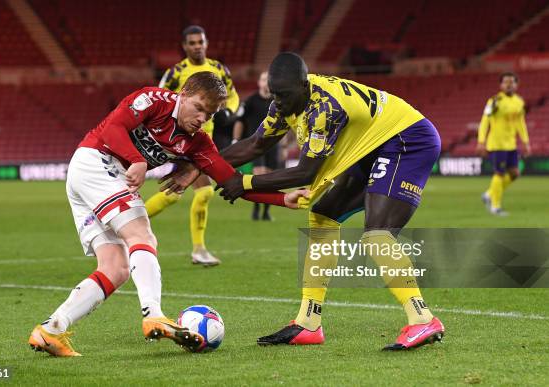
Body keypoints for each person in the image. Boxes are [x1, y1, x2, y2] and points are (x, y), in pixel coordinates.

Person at [163, 53, 445, 350]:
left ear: (303, 86)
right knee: (323, 216)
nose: (279, 103)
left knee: (377, 234)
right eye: (275, 95)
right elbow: (256, 144)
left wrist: (245, 182)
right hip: (371, 148)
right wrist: (198, 165)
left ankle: (422, 318)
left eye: (284, 95)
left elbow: (306, 172)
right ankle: (308, 323)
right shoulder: (285, 103)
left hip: (408, 140)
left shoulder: (323, 108)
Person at [27, 72, 305, 357]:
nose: (202, 118)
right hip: (96, 161)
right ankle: (154, 314)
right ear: (183, 94)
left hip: (100, 177)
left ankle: (51, 330)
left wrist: (283, 199)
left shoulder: (198, 142)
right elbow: (113, 127)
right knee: (141, 235)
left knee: (116, 268)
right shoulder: (153, 99)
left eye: (209, 114)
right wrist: (136, 159)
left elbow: (231, 181)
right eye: (198, 107)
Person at [144, 25, 240, 266]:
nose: (197, 46)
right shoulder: (177, 72)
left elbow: (233, 94)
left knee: (173, 195)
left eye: (201, 42)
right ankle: (198, 249)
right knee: (201, 191)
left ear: (206, 43)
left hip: (203, 141)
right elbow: (159, 97)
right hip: (180, 139)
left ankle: (127, 226)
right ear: (185, 47)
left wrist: (231, 110)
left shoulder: (218, 68)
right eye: (193, 43)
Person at [477, 72, 530, 216]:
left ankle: (489, 194)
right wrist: (481, 141)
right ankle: (495, 206)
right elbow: (485, 121)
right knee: (499, 174)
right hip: (497, 144)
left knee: (514, 173)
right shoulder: (495, 101)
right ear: (501, 85)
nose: (509, 84)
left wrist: (525, 142)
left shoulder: (519, 102)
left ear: (516, 85)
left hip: (511, 144)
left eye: (512, 82)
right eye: (506, 82)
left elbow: (520, 123)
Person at [233, 71, 279, 220]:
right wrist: (236, 140)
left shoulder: (278, 101)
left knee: (270, 179)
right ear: (259, 83)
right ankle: (256, 207)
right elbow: (240, 121)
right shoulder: (251, 101)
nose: (266, 82)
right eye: (264, 79)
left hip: (274, 144)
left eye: (269, 79)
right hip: (257, 144)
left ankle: (266, 211)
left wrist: (285, 145)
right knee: (259, 176)